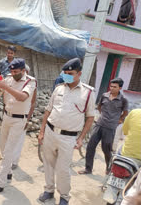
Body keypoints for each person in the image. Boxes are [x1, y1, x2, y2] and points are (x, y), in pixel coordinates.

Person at [37, 58, 95, 205]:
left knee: (63, 169)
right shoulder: (59, 88)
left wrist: (81, 138)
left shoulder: (87, 93)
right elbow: (48, 110)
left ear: (79, 73)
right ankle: (48, 190)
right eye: (65, 73)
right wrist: (42, 131)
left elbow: (90, 118)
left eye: (71, 73)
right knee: (48, 165)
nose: (67, 75)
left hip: (69, 138)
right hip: (50, 131)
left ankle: (64, 196)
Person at [0, 58, 36, 194]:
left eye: (16, 71)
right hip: (7, 116)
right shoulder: (8, 78)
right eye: (11, 71)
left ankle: (0, 183)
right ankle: (7, 171)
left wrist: (6, 87)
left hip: (19, 120)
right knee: (2, 145)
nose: (13, 74)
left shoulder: (30, 82)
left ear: (23, 70)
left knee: (8, 151)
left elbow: (22, 97)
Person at [79, 78, 129, 175]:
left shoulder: (123, 100)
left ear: (120, 88)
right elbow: (99, 107)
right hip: (99, 125)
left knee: (106, 149)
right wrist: (103, 116)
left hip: (110, 128)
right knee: (90, 146)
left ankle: (109, 168)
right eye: (111, 86)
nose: (112, 88)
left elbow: (125, 112)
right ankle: (88, 169)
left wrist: (119, 119)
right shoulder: (104, 96)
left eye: (115, 87)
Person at [12, 64, 37, 169]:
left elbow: (33, 103)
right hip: (11, 116)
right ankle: (8, 161)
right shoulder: (14, 83)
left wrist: (27, 119)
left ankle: (14, 162)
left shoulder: (31, 85)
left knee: (19, 140)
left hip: (22, 117)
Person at [0, 45, 17, 129]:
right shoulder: (2, 62)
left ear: (14, 54)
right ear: (7, 52)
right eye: (8, 53)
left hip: (10, 86)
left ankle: (4, 122)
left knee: (6, 104)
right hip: (0, 84)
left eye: (11, 53)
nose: (9, 54)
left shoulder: (16, 63)